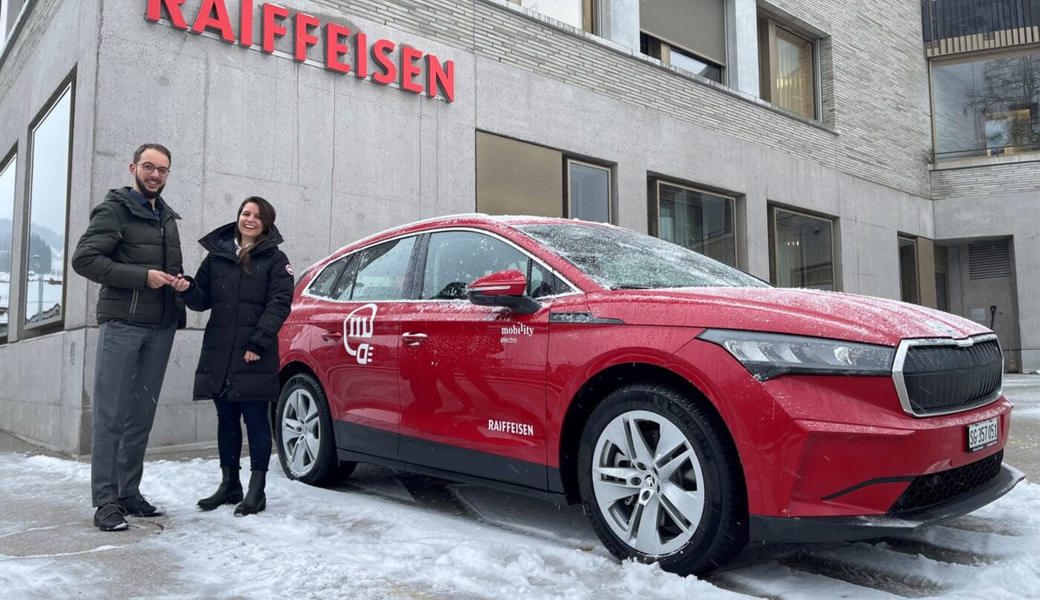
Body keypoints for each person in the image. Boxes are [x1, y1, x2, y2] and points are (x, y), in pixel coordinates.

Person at [71, 143, 185, 532]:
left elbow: (163, 266)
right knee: (110, 416)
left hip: (161, 325)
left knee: (141, 415)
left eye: (163, 170)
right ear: (133, 166)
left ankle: (127, 492)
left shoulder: (167, 217)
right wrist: (143, 277)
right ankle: (105, 502)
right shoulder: (114, 210)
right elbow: (84, 259)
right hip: (123, 325)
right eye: (149, 167)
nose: (156, 175)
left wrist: (177, 280)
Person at [173, 196, 293, 516]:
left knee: (255, 421)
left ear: (266, 223)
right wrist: (186, 288)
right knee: (226, 420)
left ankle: (257, 490)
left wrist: (258, 343)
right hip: (220, 355)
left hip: (255, 354)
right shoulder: (217, 257)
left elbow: (279, 304)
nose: (249, 219)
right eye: (245, 213)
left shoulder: (276, 260)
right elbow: (202, 300)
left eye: (256, 215)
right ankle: (230, 484)